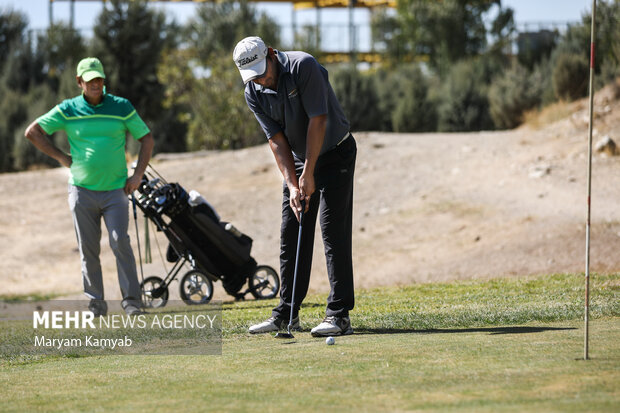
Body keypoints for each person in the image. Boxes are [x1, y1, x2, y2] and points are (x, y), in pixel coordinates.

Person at [233, 36, 357, 337]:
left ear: (272, 54)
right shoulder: (253, 90)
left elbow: (319, 120)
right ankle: (287, 313)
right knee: (292, 231)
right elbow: (275, 140)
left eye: (263, 70)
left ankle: (339, 315)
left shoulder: (303, 66)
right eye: (254, 75)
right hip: (300, 161)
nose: (261, 78)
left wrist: (309, 173)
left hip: (335, 151)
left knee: (332, 231)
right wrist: (292, 184)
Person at [24, 57, 154, 316]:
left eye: (99, 79)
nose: (95, 83)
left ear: (103, 81)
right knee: (88, 249)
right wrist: (62, 157)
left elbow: (146, 138)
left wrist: (137, 175)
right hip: (81, 191)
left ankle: (131, 302)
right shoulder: (68, 109)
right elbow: (33, 132)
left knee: (120, 242)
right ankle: (96, 305)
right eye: (90, 79)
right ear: (79, 81)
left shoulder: (121, 107)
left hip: (117, 190)